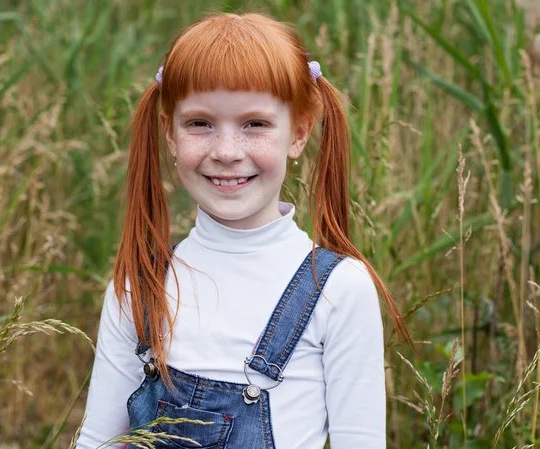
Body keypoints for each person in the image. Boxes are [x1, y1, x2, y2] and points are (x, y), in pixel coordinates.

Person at [76, 11, 410, 449]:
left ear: (298, 134)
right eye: (200, 124)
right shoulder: (138, 285)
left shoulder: (339, 290)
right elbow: (99, 442)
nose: (227, 152)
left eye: (255, 124)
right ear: (170, 135)